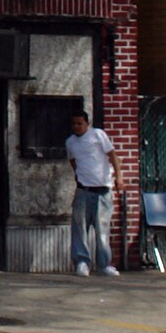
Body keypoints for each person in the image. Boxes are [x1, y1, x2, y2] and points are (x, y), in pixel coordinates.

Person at [64, 108, 119, 276]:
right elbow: (73, 161)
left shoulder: (98, 135)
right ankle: (82, 261)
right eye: (74, 124)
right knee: (80, 228)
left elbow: (112, 155)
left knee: (102, 230)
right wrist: (78, 176)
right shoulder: (71, 142)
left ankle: (105, 264)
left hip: (102, 189)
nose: (77, 127)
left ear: (87, 123)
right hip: (84, 189)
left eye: (80, 124)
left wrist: (119, 177)